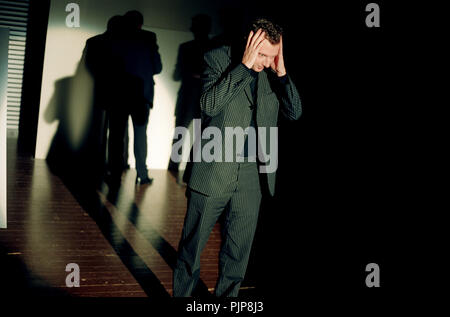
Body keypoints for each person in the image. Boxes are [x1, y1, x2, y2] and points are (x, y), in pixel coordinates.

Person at [173, 18, 302, 297]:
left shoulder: (272, 70)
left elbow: (295, 112)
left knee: (238, 252)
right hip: (214, 167)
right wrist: (244, 67)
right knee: (191, 248)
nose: (266, 61)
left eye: (272, 55)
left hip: (252, 174)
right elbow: (209, 105)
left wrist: (280, 72)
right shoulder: (217, 58)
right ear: (249, 43)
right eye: (262, 54)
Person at [168, 14, 212, 177]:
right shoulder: (213, 47)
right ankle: (191, 172)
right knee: (200, 137)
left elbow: (176, 75)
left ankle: (173, 169)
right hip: (203, 99)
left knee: (181, 134)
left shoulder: (186, 47)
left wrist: (190, 74)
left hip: (188, 98)